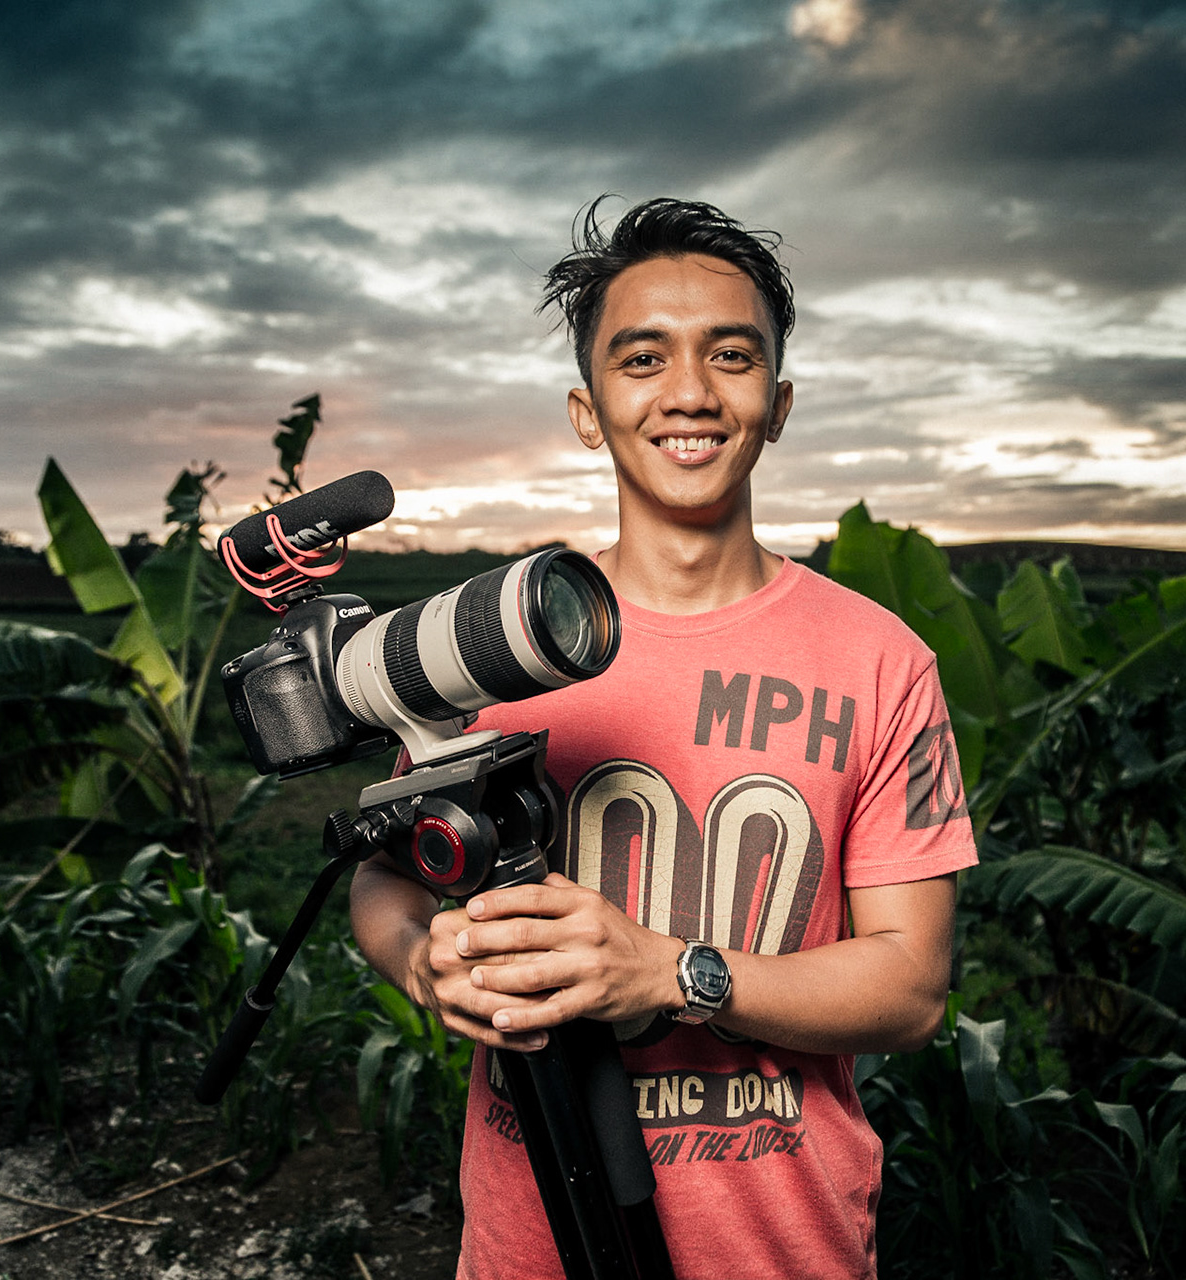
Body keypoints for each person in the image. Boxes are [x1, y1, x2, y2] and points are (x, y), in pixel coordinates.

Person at [348, 197, 978, 1280]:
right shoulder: (490, 645)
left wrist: (670, 972)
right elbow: (385, 875)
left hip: (786, 1251)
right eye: (642, 359)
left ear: (777, 404)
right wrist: (421, 962)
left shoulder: (883, 663)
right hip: (527, 1249)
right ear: (588, 411)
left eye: (731, 356)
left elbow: (913, 986)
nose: (689, 392)